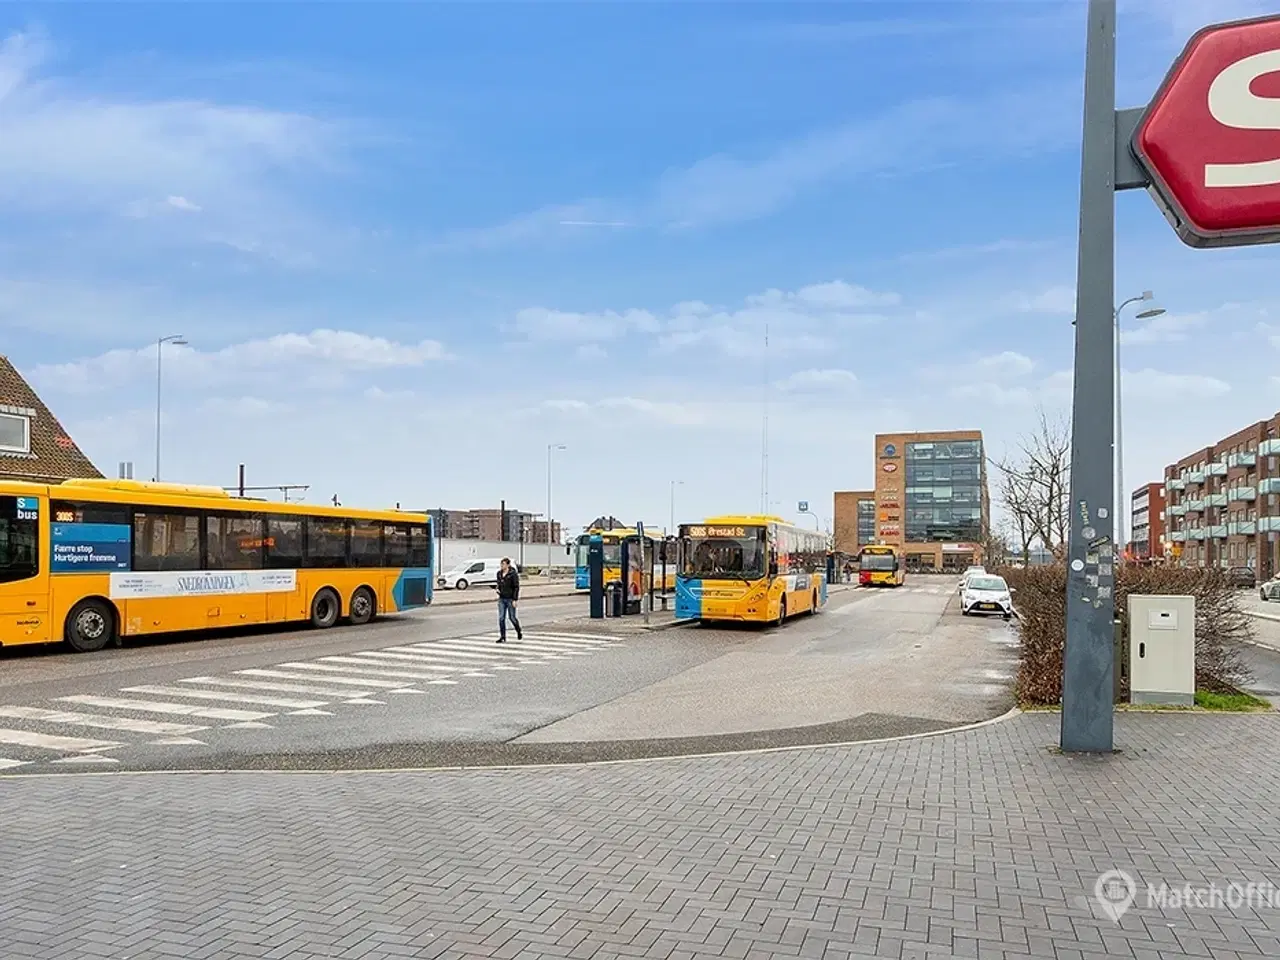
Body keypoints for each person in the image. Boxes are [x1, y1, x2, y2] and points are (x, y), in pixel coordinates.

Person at [496, 557, 522, 643]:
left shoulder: (512, 574)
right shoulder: (499, 574)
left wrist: (515, 599)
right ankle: (503, 637)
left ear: (507, 565)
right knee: (501, 618)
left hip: (510, 598)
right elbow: (499, 584)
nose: (502, 566)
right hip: (502, 599)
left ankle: (518, 630)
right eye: (501, 564)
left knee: (512, 617)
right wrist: (498, 589)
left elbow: (516, 587)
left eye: (503, 564)